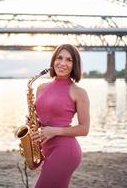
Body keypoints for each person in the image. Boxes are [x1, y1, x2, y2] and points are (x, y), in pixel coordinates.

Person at [31, 44, 90, 188]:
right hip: (46, 148)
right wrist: (34, 123)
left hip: (66, 151)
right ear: (53, 61)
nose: (63, 63)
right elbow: (44, 119)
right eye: (60, 58)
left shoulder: (79, 92)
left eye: (69, 60)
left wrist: (55, 131)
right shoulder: (41, 88)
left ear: (74, 65)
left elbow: (84, 129)